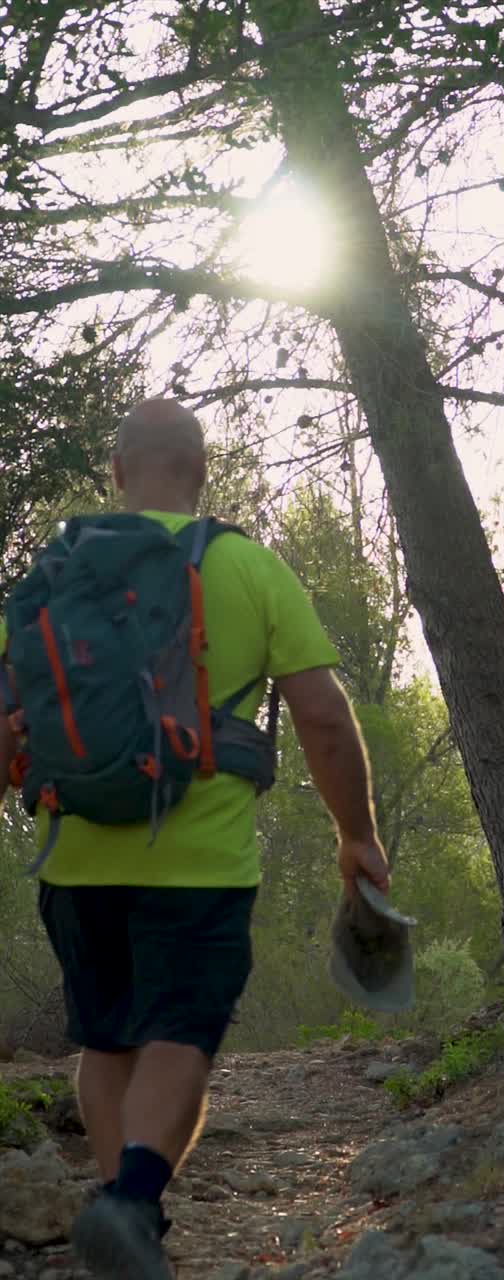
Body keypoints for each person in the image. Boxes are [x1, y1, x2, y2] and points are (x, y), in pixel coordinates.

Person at [0, 398, 390, 1280]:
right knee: (181, 1033)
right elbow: (323, 719)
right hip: (200, 865)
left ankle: (132, 1232)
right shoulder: (245, 566)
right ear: (201, 470)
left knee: (107, 1045)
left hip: (75, 856)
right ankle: (132, 1203)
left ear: (116, 473)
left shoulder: (53, 573)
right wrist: (356, 836)